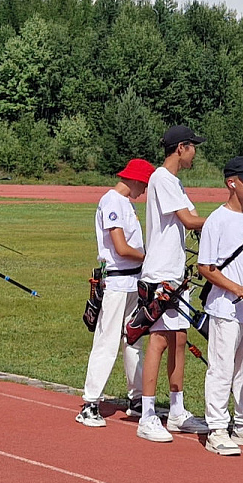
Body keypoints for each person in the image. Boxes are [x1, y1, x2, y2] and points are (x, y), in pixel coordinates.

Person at [193, 156, 243, 456]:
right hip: (226, 307)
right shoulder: (217, 220)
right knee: (221, 367)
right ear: (231, 182)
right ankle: (216, 427)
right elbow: (206, 267)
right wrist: (237, 288)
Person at [135, 125, 209, 442]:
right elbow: (190, 221)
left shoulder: (174, 182)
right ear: (181, 148)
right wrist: (228, 217)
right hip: (160, 272)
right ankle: (148, 414)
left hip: (177, 274)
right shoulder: (162, 179)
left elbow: (194, 219)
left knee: (179, 339)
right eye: (193, 147)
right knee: (159, 341)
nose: (195, 152)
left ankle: (177, 411)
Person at [77, 159, 154, 427]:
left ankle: (137, 398)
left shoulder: (126, 204)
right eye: (143, 183)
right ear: (134, 179)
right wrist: (149, 257)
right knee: (107, 342)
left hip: (132, 281)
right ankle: (90, 402)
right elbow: (121, 248)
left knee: (133, 341)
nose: (144, 189)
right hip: (118, 281)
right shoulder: (112, 201)